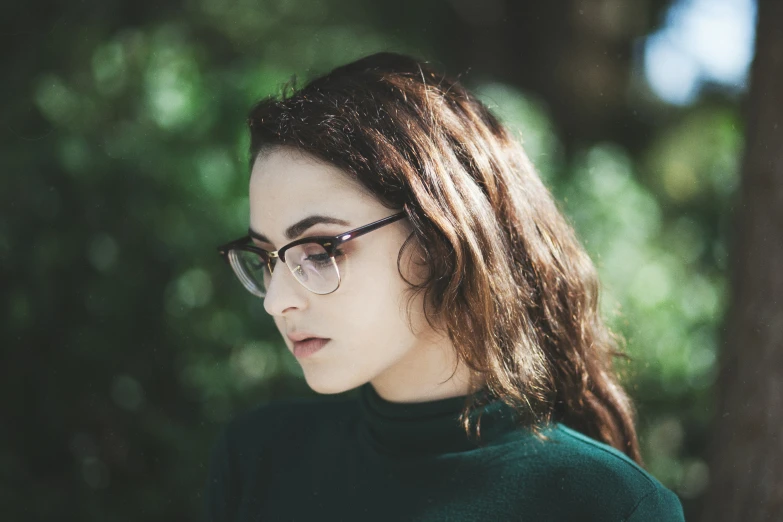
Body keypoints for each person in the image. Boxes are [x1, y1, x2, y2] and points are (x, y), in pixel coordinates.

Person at [206, 51, 686, 521]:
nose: (276, 300)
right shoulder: (259, 461)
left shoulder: (610, 504)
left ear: (439, 236)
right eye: (267, 258)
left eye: (320, 250)